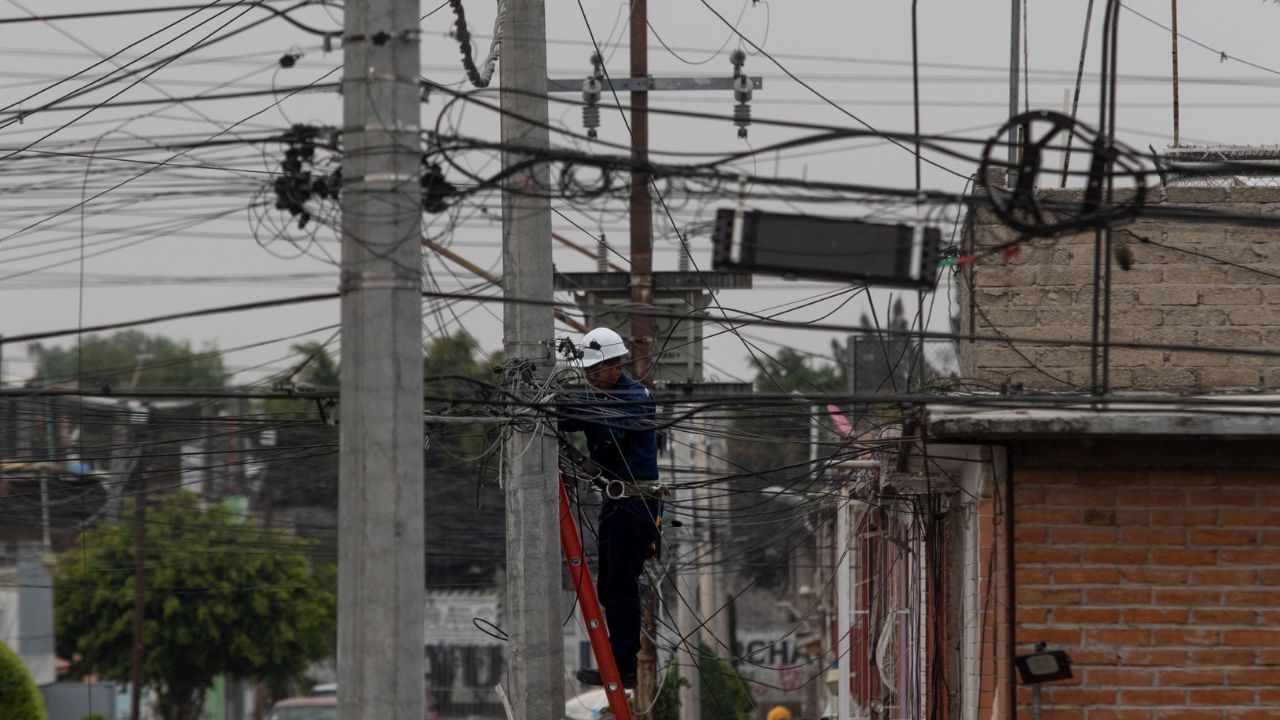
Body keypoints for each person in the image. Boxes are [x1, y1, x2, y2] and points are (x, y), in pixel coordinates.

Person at [559, 327, 661, 690]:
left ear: (615, 365)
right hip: (618, 502)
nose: (588, 377)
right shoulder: (599, 395)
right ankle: (619, 664)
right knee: (610, 588)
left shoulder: (633, 397)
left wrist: (563, 406)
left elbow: (603, 423)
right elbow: (574, 417)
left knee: (621, 588)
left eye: (593, 370)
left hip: (636, 504)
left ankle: (623, 668)